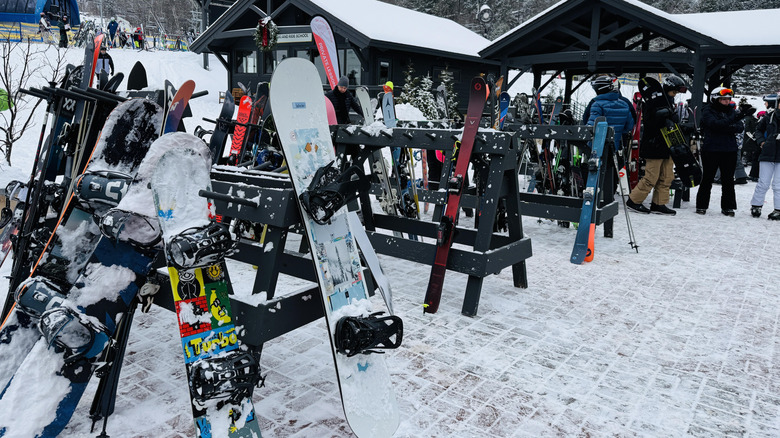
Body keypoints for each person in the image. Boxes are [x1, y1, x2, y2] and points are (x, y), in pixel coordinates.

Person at [626, 75, 688, 215]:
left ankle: (659, 203)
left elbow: (669, 122)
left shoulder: (669, 102)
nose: (675, 94)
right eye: (674, 91)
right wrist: (664, 118)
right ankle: (634, 201)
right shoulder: (652, 101)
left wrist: (677, 123)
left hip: (667, 144)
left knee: (667, 176)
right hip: (654, 144)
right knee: (651, 176)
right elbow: (649, 122)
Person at [696, 87, 755, 216]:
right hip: (711, 149)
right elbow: (714, 125)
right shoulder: (707, 111)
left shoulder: (731, 111)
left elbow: (739, 127)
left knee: (728, 180)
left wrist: (726, 125)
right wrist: (730, 123)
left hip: (729, 149)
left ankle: (728, 207)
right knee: (707, 178)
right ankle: (701, 205)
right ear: (716, 99)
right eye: (723, 99)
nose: (727, 102)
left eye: (728, 99)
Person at [583, 74, 635, 196]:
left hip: (596, 145)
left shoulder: (597, 103)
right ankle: (608, 196)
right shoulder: (624, 103)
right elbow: (629, 126)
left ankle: (594, 196)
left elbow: (591, 125)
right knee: (610, 170)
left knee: (595, 170)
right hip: (614, 145)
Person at [750, 93, 780, 220]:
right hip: (767, 153)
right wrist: (762, 142)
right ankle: (756, 205)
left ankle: (778, 209)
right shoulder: (770, 116)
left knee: (778, 184)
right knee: (763, 182)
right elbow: (758, 130)